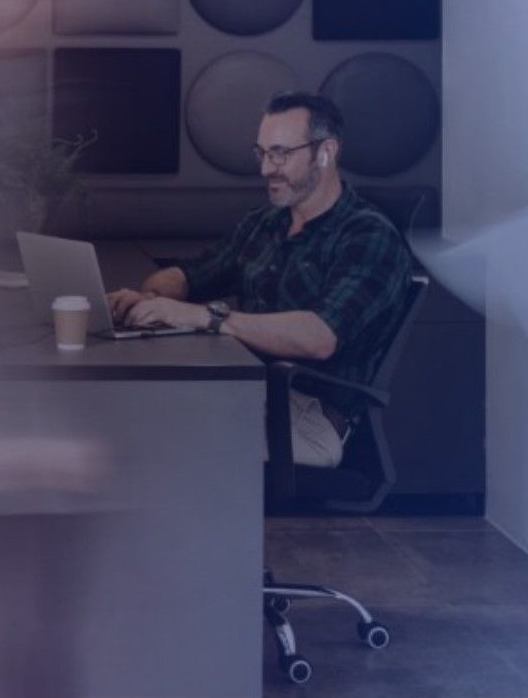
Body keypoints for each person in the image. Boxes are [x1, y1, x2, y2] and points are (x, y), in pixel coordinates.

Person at [107, 92, 415, 468]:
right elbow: (192, 276)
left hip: (309, 414)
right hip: (249, 391)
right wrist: (149, 297)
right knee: (124, 407)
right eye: (263, 153)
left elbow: (319, 338)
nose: (267, 169)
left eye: (281, 154)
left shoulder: (368, 236)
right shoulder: (265, 223)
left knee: (152, 430)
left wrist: (208, 317)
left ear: (325, 152)